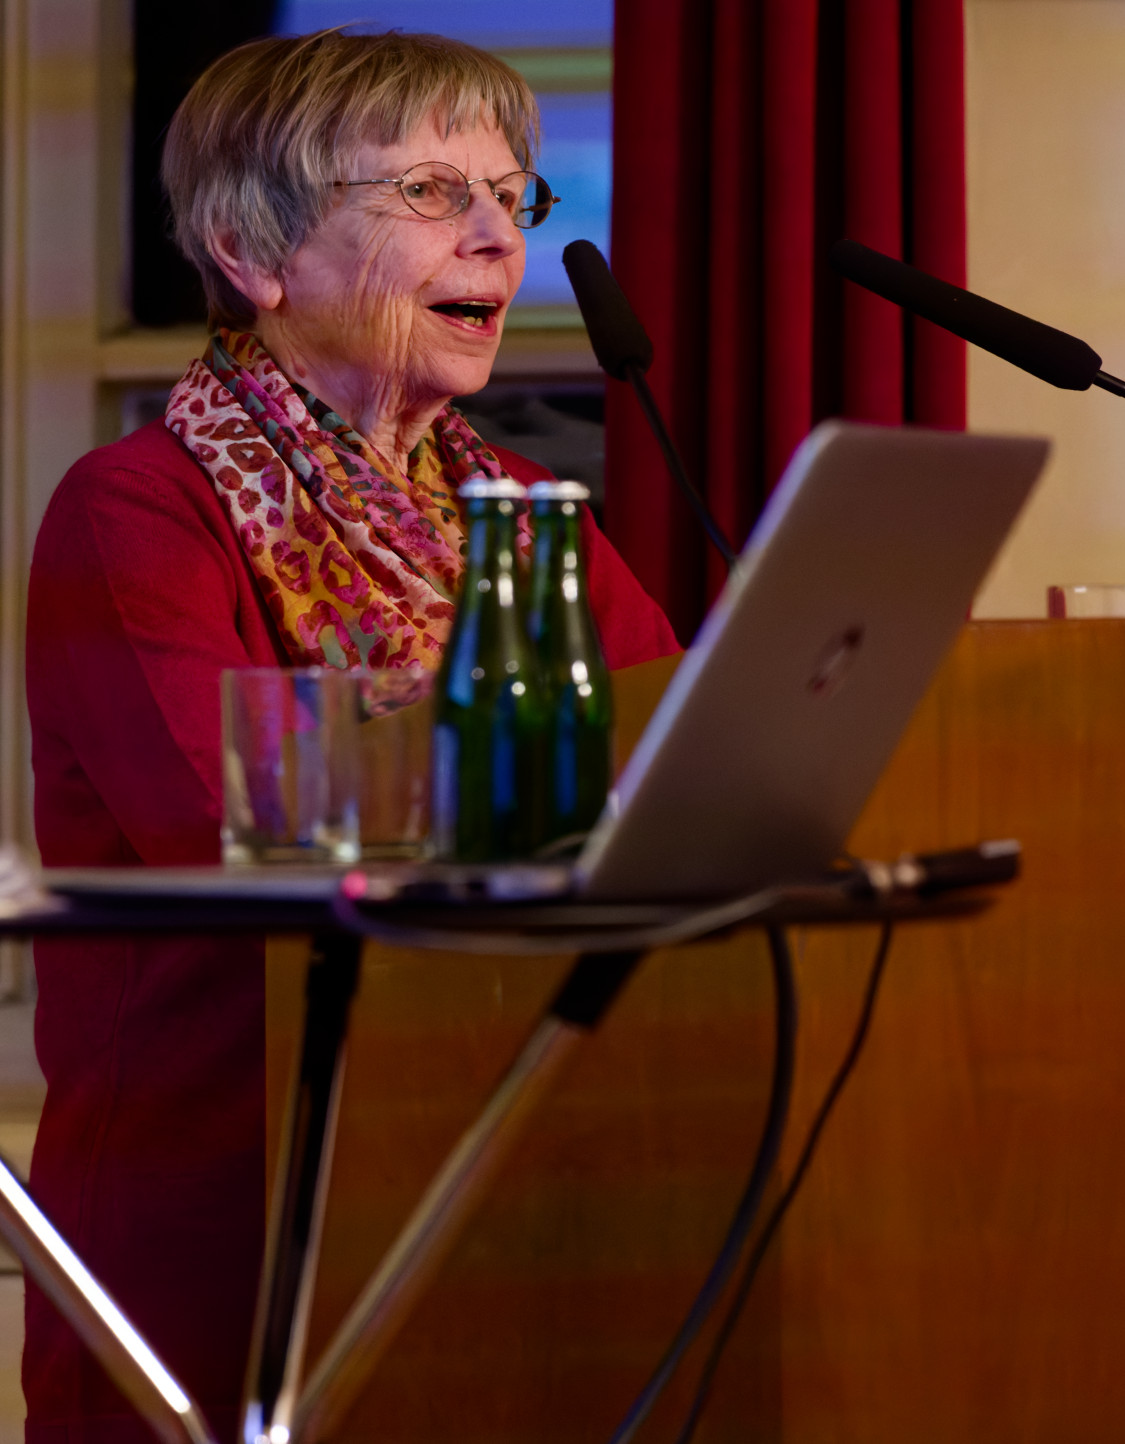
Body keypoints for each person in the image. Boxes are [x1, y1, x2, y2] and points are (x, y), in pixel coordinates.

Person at [23, 30, 677, 1440]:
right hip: (229, 1224)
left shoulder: (521, 516)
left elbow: (675, 758)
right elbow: (230, 832)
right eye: (434, 193)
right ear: (252, 252)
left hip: (513, 1181)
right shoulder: (135, 511)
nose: (499, 238)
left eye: (512, 195)